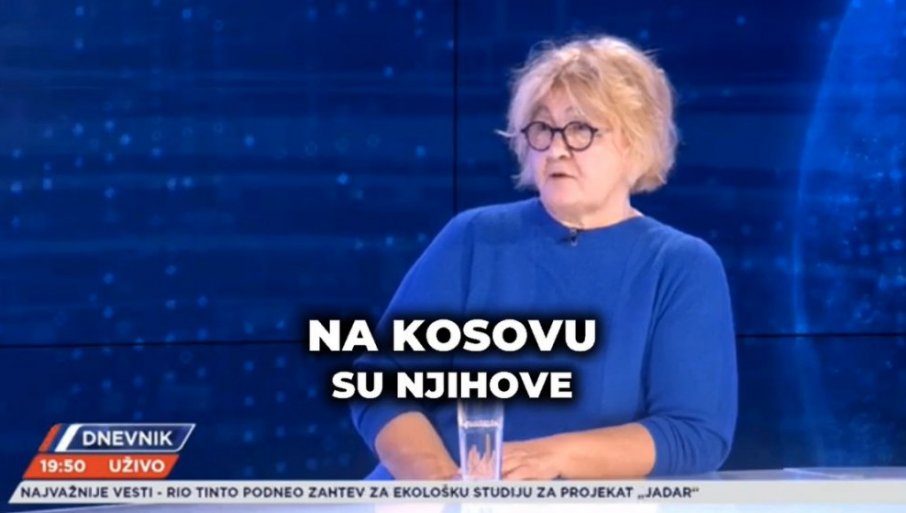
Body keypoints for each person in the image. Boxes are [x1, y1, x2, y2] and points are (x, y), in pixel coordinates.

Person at [350, 34, 738, 480]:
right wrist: (440, 482)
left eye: (580, 129)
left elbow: (694, 433)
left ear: (636, 141)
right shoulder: (474, 237)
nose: (555, 149)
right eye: (542, 128)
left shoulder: (680, 266)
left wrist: (552, 458)